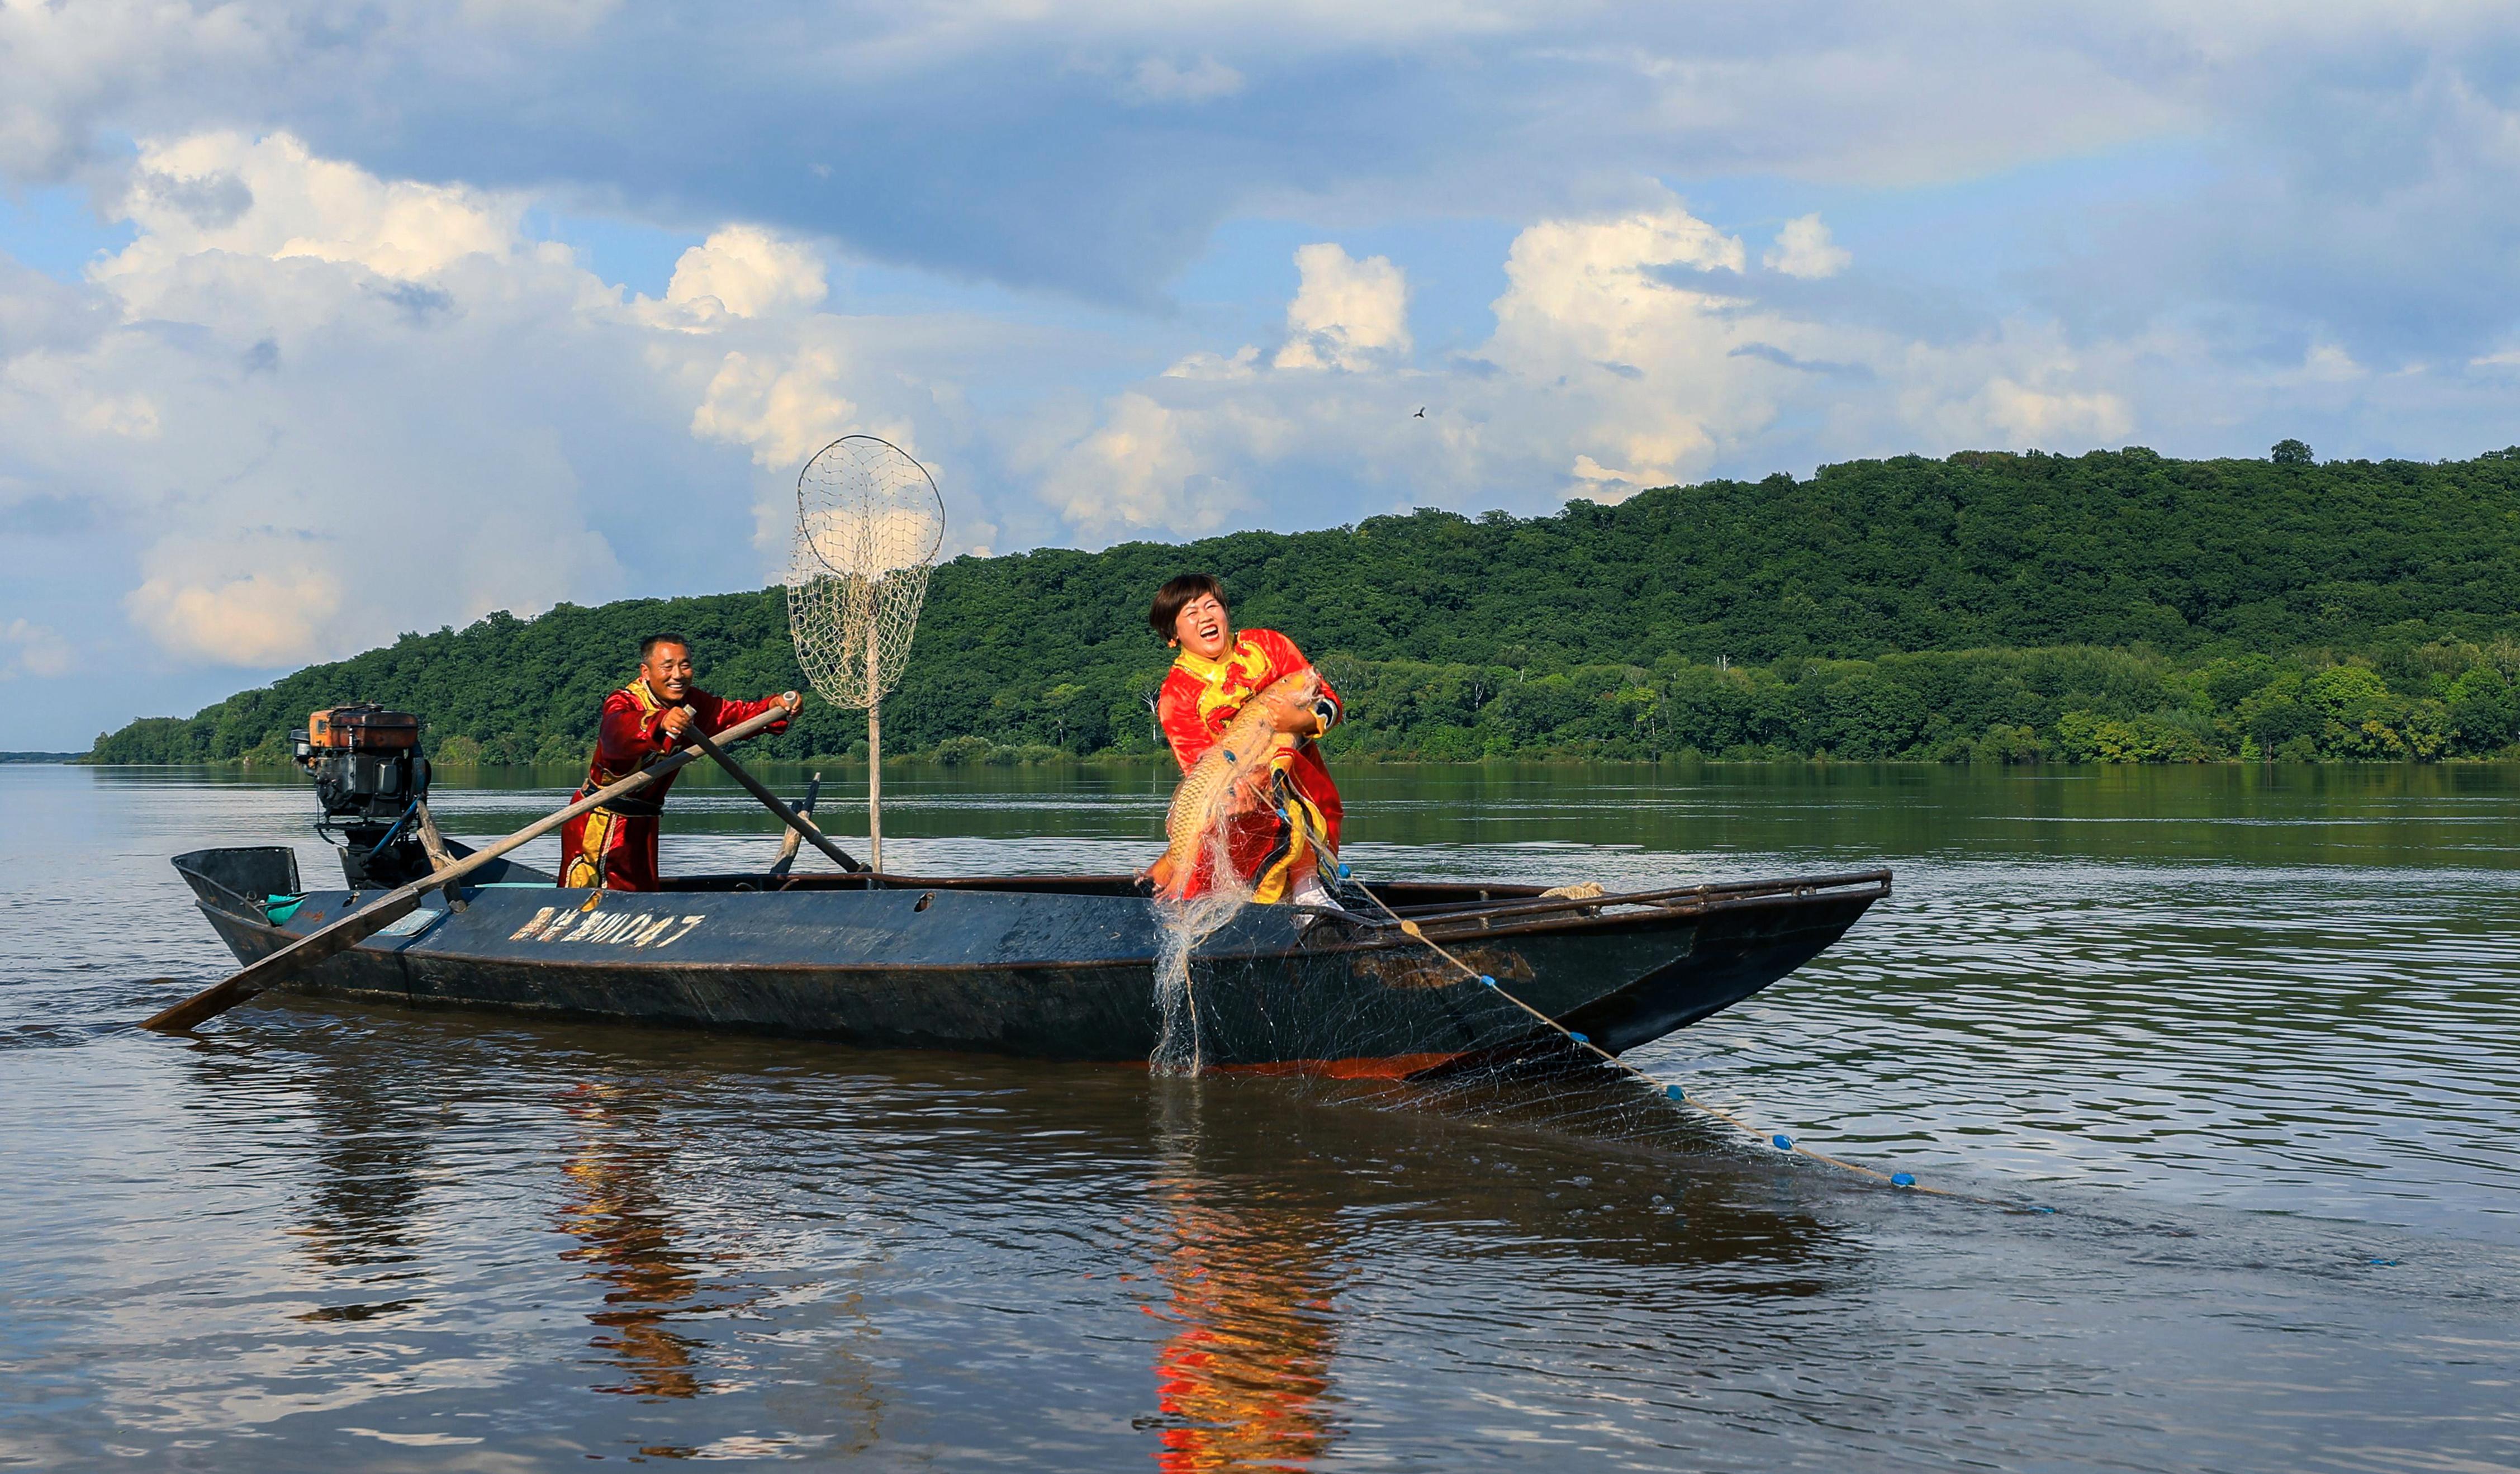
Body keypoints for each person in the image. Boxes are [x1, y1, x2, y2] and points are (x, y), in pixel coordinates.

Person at [1146, 574, 1345, 905]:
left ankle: (1309, 892)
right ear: (1172, 635)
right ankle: (1174, 872)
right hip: (1237, 794)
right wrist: (1240, 788)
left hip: (1303, 780)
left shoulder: (1268, 645)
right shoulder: (1176, 694)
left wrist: (1302, 720)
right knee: (1228, 869)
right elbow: (1199, 768)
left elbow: (1329, 701)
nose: (1206, 617)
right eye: (1191, 613)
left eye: (1212, 606)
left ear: (1226, 612)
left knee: (1299, 822)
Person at [559, 633, 799, 891]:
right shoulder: (625, 701)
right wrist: (659, 722)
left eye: (684, 665)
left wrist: (773, 707)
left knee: (642, 902)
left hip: (644, 823)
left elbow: (732, 716)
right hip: (602, 821)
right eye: (667, 667)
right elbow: (616, 733)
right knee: (592, 905)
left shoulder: (692, 704)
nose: (678, 675)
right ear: (646, 672)